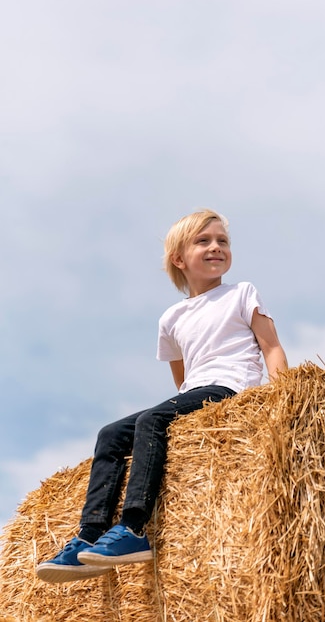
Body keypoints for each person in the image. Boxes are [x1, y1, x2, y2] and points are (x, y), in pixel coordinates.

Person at [36, 209, 288, 583]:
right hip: (197, 392)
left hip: (232, 388)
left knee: (150, 420)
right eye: (203, 241)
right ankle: (89, 535)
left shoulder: (241, 293)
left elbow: (272, 348)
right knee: (111, 434)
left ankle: (134, 529)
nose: (216, 247)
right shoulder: (171, 318)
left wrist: (284, 400)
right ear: (179, 258)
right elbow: (182, 379)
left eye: (222, 241)